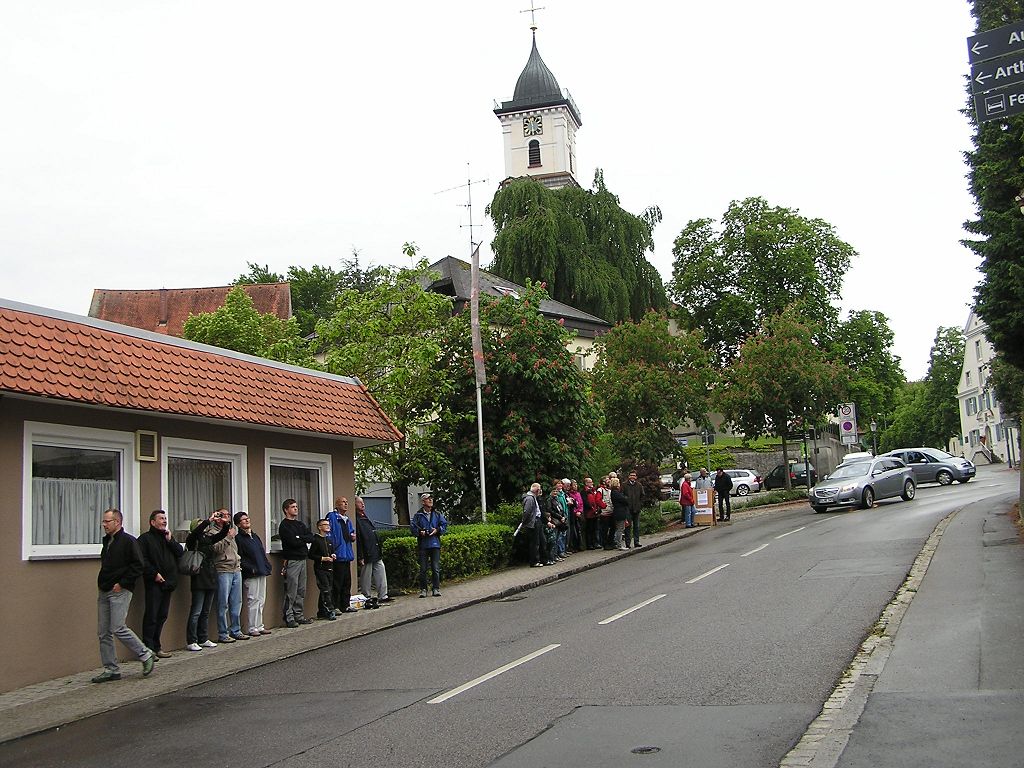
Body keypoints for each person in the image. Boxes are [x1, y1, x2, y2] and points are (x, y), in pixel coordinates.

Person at [92, 509, 154, 682]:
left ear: (117, 522)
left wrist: (123, 583)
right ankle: (111, 669)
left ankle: (145, 654)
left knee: (118, 627)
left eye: (107, 521)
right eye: (103, 522)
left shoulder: (128, 542)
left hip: (120, 590)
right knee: (103, 632)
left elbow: (138, 565)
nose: (104, 525)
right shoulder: (108, 541)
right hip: (104, 590)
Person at [137, 509, 183, 659]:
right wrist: (154, 574)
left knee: (162, 615)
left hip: (168, 583)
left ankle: (157, 646)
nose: (164, 521)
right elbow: (142, 560)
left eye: (165, 518)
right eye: (161, 519)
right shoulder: (145, 539)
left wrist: (171, 541)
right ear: (152, 522)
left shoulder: (167, 538)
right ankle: (148, 648)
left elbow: (180, 553)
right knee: (152, 615)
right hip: (154, 583)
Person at [185, 512, 229, 652]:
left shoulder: (207, 538)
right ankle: (191, 640)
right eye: (200, 525)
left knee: (205, 611)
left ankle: (203, 638)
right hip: (199, 577)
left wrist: (225, 523)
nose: (203, 527)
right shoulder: (192, 539)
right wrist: (208, 520)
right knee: (196, 611)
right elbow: (195, 533)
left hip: (210, 576)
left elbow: (221, 535)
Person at [211, 508, 248, 642]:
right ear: (217, 517)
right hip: (223, 569)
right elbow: (217, 549)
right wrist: (228, 537)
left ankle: (236, 630)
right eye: (223, 515)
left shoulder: (230, 530)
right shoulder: (213, 532)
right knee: (223, 603)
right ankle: (222, 633)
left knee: (236, 602)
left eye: (228, 515)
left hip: (236, 569)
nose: (226, 517)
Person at [234, 512, 273, 637]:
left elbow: (261, 552)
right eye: (243, 520)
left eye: (247, 518)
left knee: (261, 599)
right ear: (238, 524)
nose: (246, 521)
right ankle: (252, 627)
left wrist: (267, 565)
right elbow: (240, 557)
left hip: (261, 570)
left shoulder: (254, 536)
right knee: (253, 600)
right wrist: (251, 569)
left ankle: (259, 625)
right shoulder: (239, 539)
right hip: (251, 573)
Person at [279, 498, 314, 628]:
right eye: (292, 507)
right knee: (291, 590)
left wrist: (301, 538)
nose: (296, 509)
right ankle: (289, 617)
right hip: (292, 560)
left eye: (296, 506)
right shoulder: (284, 526)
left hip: (302, 559)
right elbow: (292, 542)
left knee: (301, 589)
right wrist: (301, 539)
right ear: (286, 510)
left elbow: (310, 537)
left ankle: (299, 615)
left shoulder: (300, 524)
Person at [354, 497, 389, 607]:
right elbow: (359, 539)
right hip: (366, 553)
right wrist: (360, 556)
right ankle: (366, 596)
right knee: (366, 576)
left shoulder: (365, 517)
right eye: (360, 503)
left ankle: (383, 595)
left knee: (381, 570)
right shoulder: (356, 519)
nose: (362, 504)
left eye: (363, 502)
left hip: (375, 551)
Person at [410, 492, 447, 597]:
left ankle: (436, 588)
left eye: (431, 498)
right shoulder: (418, 515)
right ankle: (423, 590)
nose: (430, 500)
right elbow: (413, 528)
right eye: (428, 499)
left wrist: (437, 530)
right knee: (423, 569)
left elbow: (444, 525)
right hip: (423, 545)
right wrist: (420, 532)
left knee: (435, 568)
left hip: (435, 544)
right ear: (423, 502)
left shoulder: (437, 514)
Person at [326, 496, 357, 615]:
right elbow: (330, 533)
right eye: (343, 502)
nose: (345, 504)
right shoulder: (332, 517)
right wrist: (332, 548)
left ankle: (346, 605)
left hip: (347, 554)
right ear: (337, 505)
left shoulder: (347, 519)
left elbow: (350, 532)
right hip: (338, 554)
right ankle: (335, 605)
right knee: (337, 582)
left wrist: (352, 536)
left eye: (346, 502)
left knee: (346, 581)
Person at [309, 519, 337, 620]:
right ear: (320, 527)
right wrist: (322, 558)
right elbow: (311, 555)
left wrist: (333, 555)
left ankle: (321, 611)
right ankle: (329, 610)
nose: (328, 526)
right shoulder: (316, 540)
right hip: (320, 568)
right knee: (325, 589)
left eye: (328, 525)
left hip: (329, 568)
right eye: (325, 525)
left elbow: (331, 551)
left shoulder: (328, 540)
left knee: (328, 588)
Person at [521, 482, 549, 567]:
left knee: (542, 541)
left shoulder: (535, 497)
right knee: (535, 542)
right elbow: (527, 512)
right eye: (539, 489)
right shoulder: (529, 498)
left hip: (538, 520)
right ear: (536, 490)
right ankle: (534, 561)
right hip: (534, 522)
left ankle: (544, 559)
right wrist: (525, 522)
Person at [581, 477, 604, 550]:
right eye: (590, 482)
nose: (592, 483)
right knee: (589, 529)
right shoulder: (584, 491)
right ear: (586, 483)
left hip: (595, 512)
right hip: (589, 513)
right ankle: (589, 544)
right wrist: (591, 507)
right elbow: (585, 502)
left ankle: (595, 542)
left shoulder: (594, 491)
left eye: (592, 482)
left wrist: (597, 508)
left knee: (595, 528)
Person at [624, 470, 644, 548]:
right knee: (628, 526)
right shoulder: (625, 485)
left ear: (636, 477)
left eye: (634, 475)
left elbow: (642, 495)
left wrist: (640, 504)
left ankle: (636, 541)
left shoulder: (639, 485)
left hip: (636, 508)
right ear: (629, 476)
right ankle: (628, 543)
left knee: (637, 526)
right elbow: (622, 495)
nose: (632, 477)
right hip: (628, 509)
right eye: (631, 475)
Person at [609, 478, 630, 551]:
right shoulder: (615, 493)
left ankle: (617, 542)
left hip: (619, 511)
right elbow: (624, 500)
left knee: (620, 528)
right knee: (620, 529)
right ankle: (619, 544)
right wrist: (626, 499)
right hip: (619, 512)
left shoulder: (615, 492)